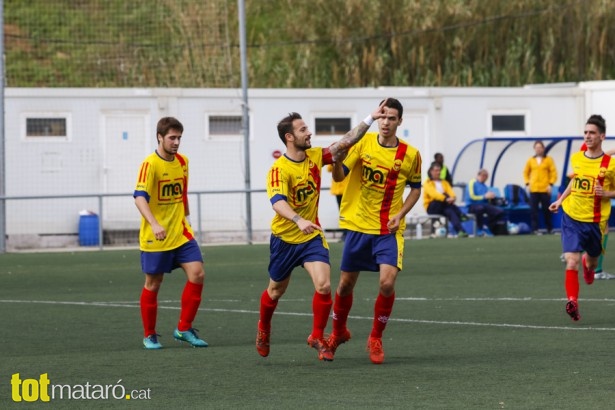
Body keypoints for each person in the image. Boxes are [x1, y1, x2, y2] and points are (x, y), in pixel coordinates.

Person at [256, 101, 387, 361]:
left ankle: (317, 336)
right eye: (303, 129)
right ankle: (263, 328)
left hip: (311, 236)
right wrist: (296, 219)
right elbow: (278, 202)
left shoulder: (315, 156)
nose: (309, 132)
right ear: (289, 137)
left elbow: (345, 143)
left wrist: (370, 118)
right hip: (285, 238)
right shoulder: (279, 170)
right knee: (275, 291)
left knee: (325, 285)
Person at [328, 98, 422, 364]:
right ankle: (337, 334)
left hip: (388, 229)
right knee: (345, 285)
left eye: (391, 118)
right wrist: (335, 161)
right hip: (358, 226)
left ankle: (375, 337)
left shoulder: (411, 155)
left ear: (399, 122)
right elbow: (338, 177)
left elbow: (416, 188)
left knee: (387, 282)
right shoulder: (363, 144)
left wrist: (400, 214)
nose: (385, 122)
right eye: (382, 116)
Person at [134, 117, 208, 349]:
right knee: (153, 283)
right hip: (156, 237)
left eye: (179, 138)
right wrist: (155, 224)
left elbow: (182, 193)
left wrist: (185, 217)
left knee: (197, 274)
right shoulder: (150, 164)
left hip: (181, 233)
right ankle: (149, 334)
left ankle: (184, 328)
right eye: (172, 138)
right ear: (160, 137)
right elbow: (139, 197)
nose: (176, 142)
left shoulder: (183, 162)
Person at [549, 114, 615, 321]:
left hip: (595, 222)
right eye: (585, 132)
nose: (587, 136)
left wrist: (606, 194)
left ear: (602, 136)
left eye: (592, 133)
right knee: (571, 261)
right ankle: (572, 301)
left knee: (591, 263)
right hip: (571, 216)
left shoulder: (610, 165)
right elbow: (575, 180)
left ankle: (590, 265)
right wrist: (560, 201)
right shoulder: (577, 157)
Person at [423, 162, 469, 238]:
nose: (438, 172)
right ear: (431, 171)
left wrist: (453, 198)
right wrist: (446, 198)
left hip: (445, 206)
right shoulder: (427, 183)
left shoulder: (444, 182)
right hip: (432, 206)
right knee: (444, 197)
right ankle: (460, 214)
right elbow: (433, 194)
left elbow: (451, 192)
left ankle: (461, 231)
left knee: (450, 211)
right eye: (436, 170)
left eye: (439, 170)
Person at [523, 140, 558, 234]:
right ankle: (535, 229)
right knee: (533, 210)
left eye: (540, 147)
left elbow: (553, 173)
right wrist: (527, 184)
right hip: (534, 189)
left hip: (545, 189)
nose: (538, 149)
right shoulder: (530, 160)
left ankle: (550, 228)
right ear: (534, 149)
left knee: (547, 209)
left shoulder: (548, 159)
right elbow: (525, 172)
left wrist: (550, 184)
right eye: (536, 147)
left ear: (543, 148)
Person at [466, 169, 507, 236]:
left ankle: (489, 226)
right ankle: (479, 229)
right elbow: (472, 196)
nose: (485, 179)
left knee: (499, 212)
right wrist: (484, 197)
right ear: (480, 175)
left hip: (484, 205)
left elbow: (487, 197)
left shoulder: (484, 186)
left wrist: (491, 197)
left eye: (486, 177)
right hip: (472, 205)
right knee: (480, 209)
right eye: (484, 177)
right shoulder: (472, 182)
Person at [326, 163, 349, 241]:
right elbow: (329, 169)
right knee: (341, 212)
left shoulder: (351, 154)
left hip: (347, 188)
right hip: (338, 189)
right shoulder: (335, 157)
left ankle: (348, 232)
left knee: (347, 211)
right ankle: (345, 231)